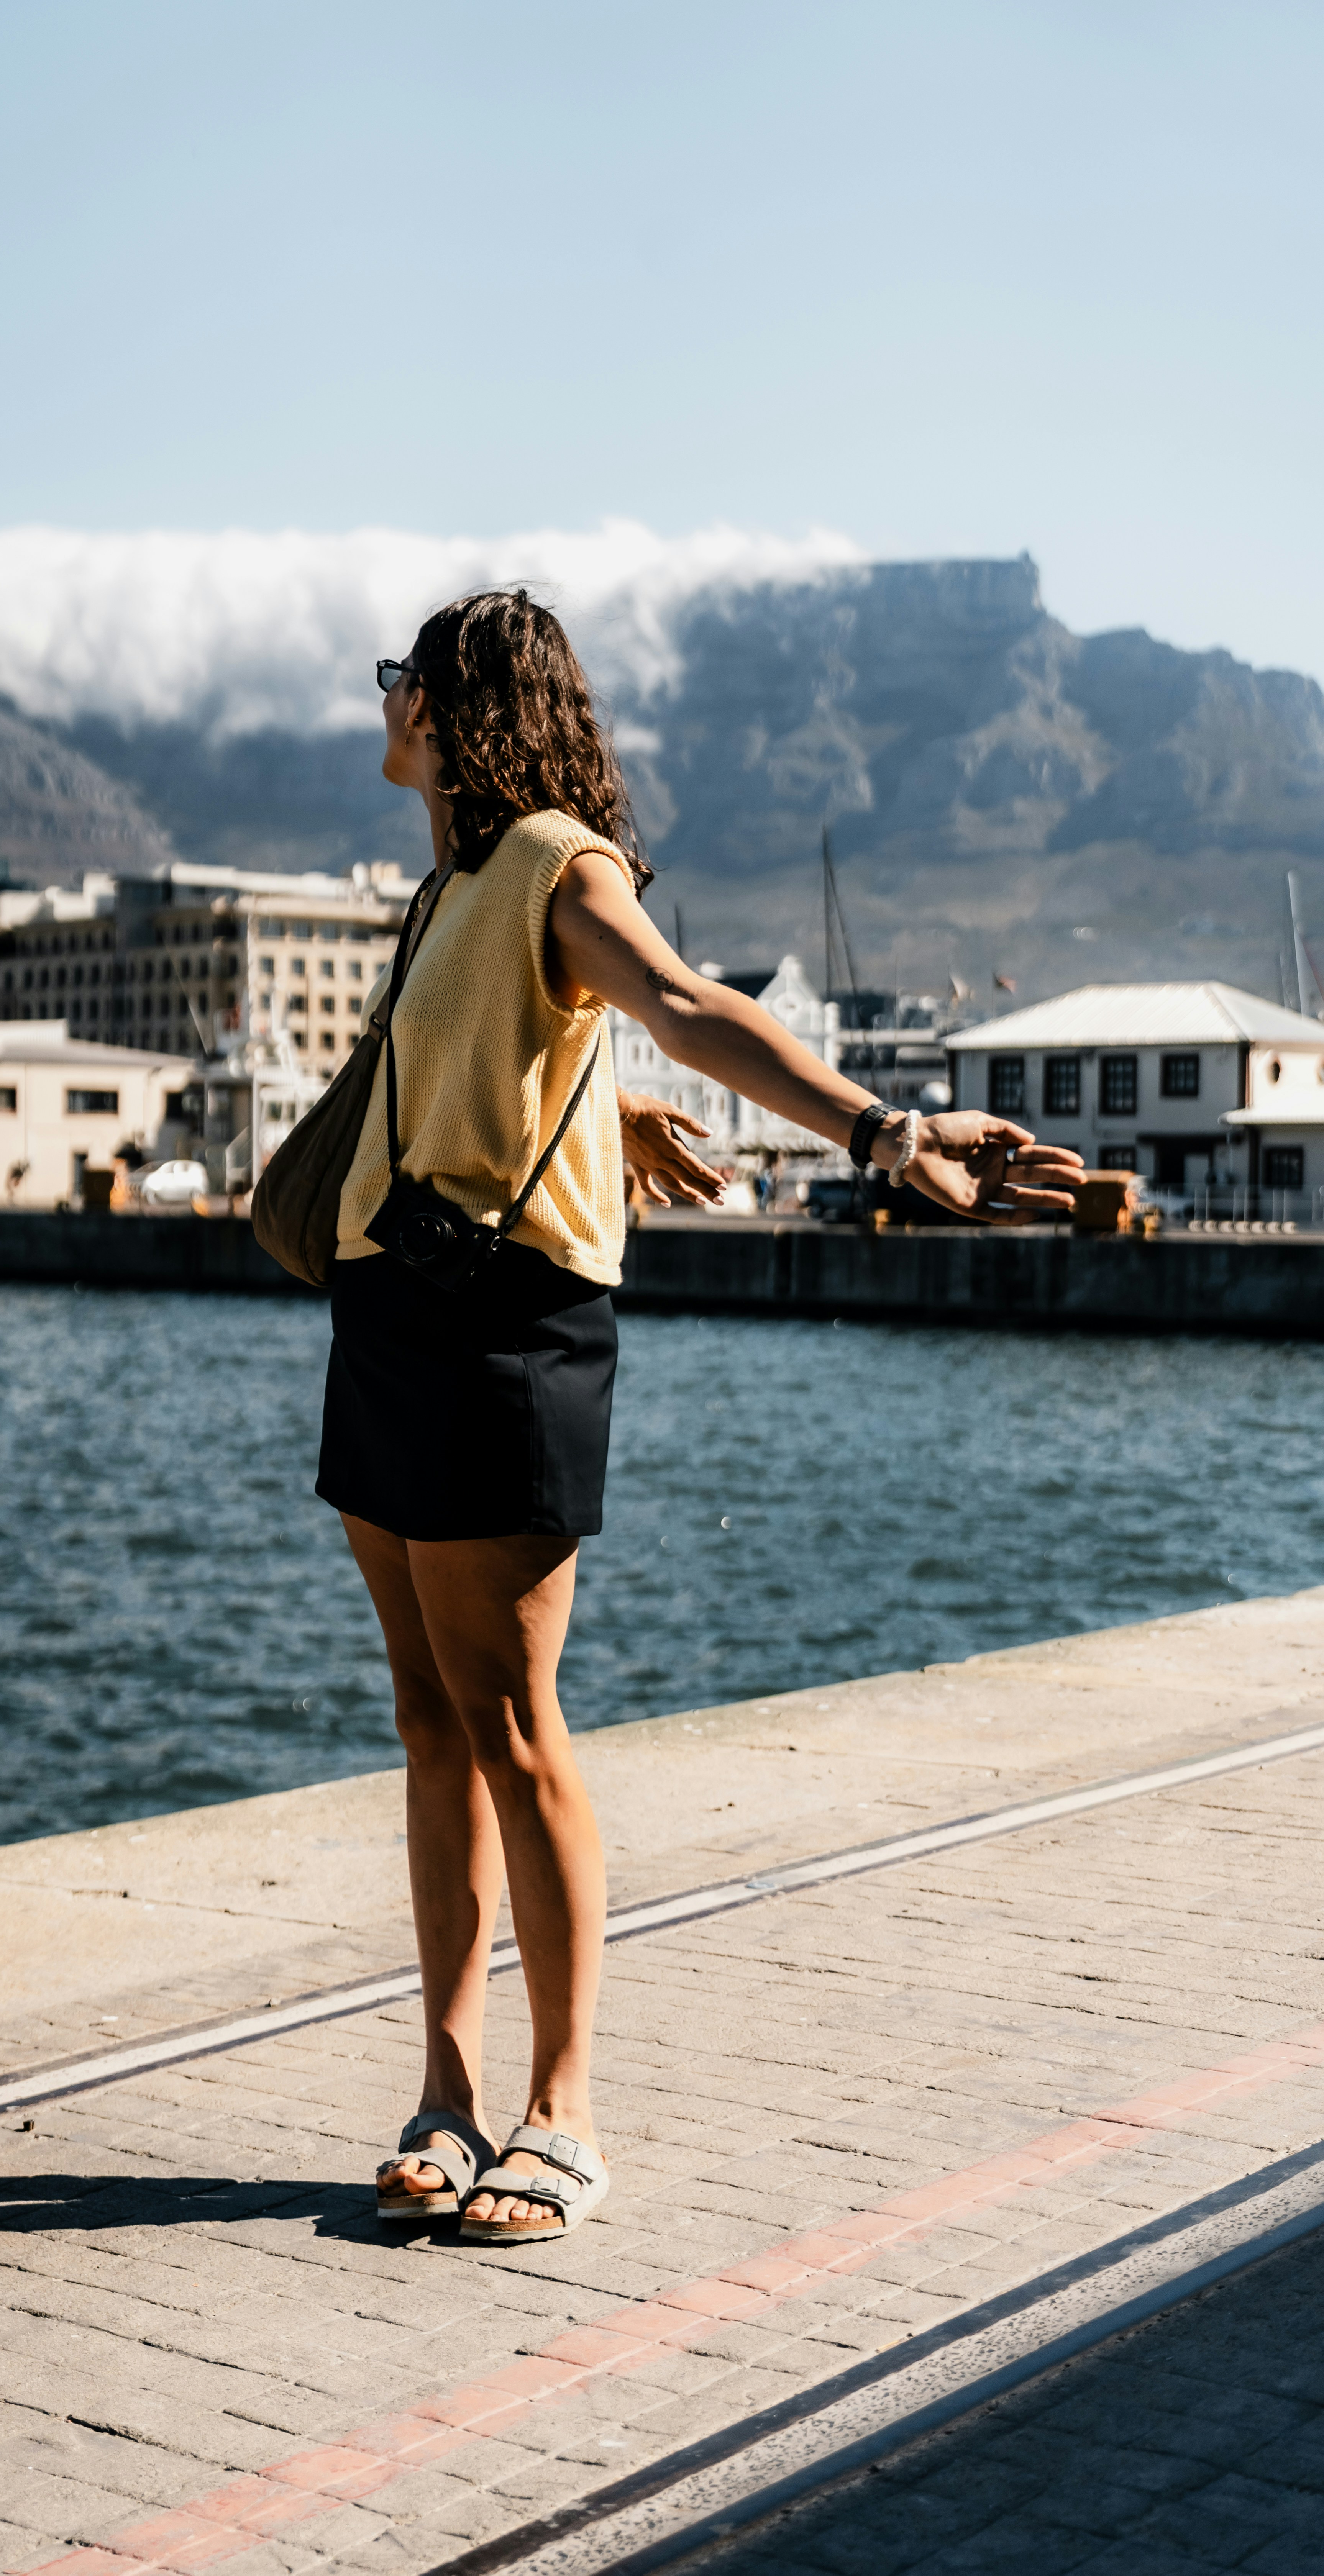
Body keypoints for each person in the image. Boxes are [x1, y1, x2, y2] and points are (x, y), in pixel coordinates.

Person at [317, 589, 1082, 2245]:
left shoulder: (551, 858)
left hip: (504, 1327)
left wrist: (881, 1132)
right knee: (429, 1725)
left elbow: (675, 998)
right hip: (388, 1311)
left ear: (459, 707)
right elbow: (539, 1046)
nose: (385, 703)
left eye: (404, 680)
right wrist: (624, 1105)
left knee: (515, 1726)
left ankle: (562, 2111)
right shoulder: (448, 886)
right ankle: (446, 2093)